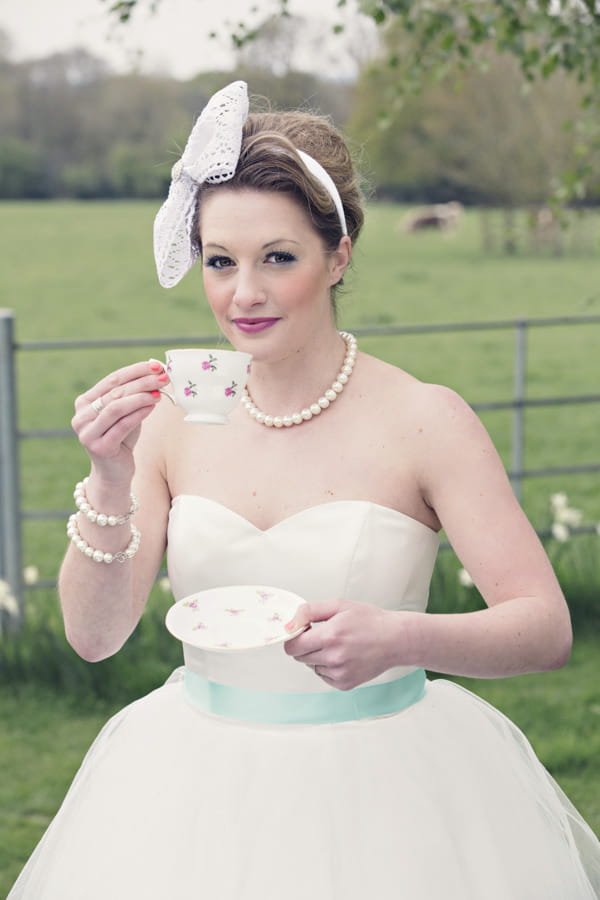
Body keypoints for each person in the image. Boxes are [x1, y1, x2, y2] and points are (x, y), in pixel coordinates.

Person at [9, 80, 600, 900]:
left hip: (393, 793)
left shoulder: (425, 420)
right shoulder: (176, 417)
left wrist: (401, 638)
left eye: (276, 258)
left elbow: (544, 629)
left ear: (339, 256)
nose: (242, 294)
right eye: (220, 262)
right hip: (190, 788)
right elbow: (93, 638)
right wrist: (110, 474)